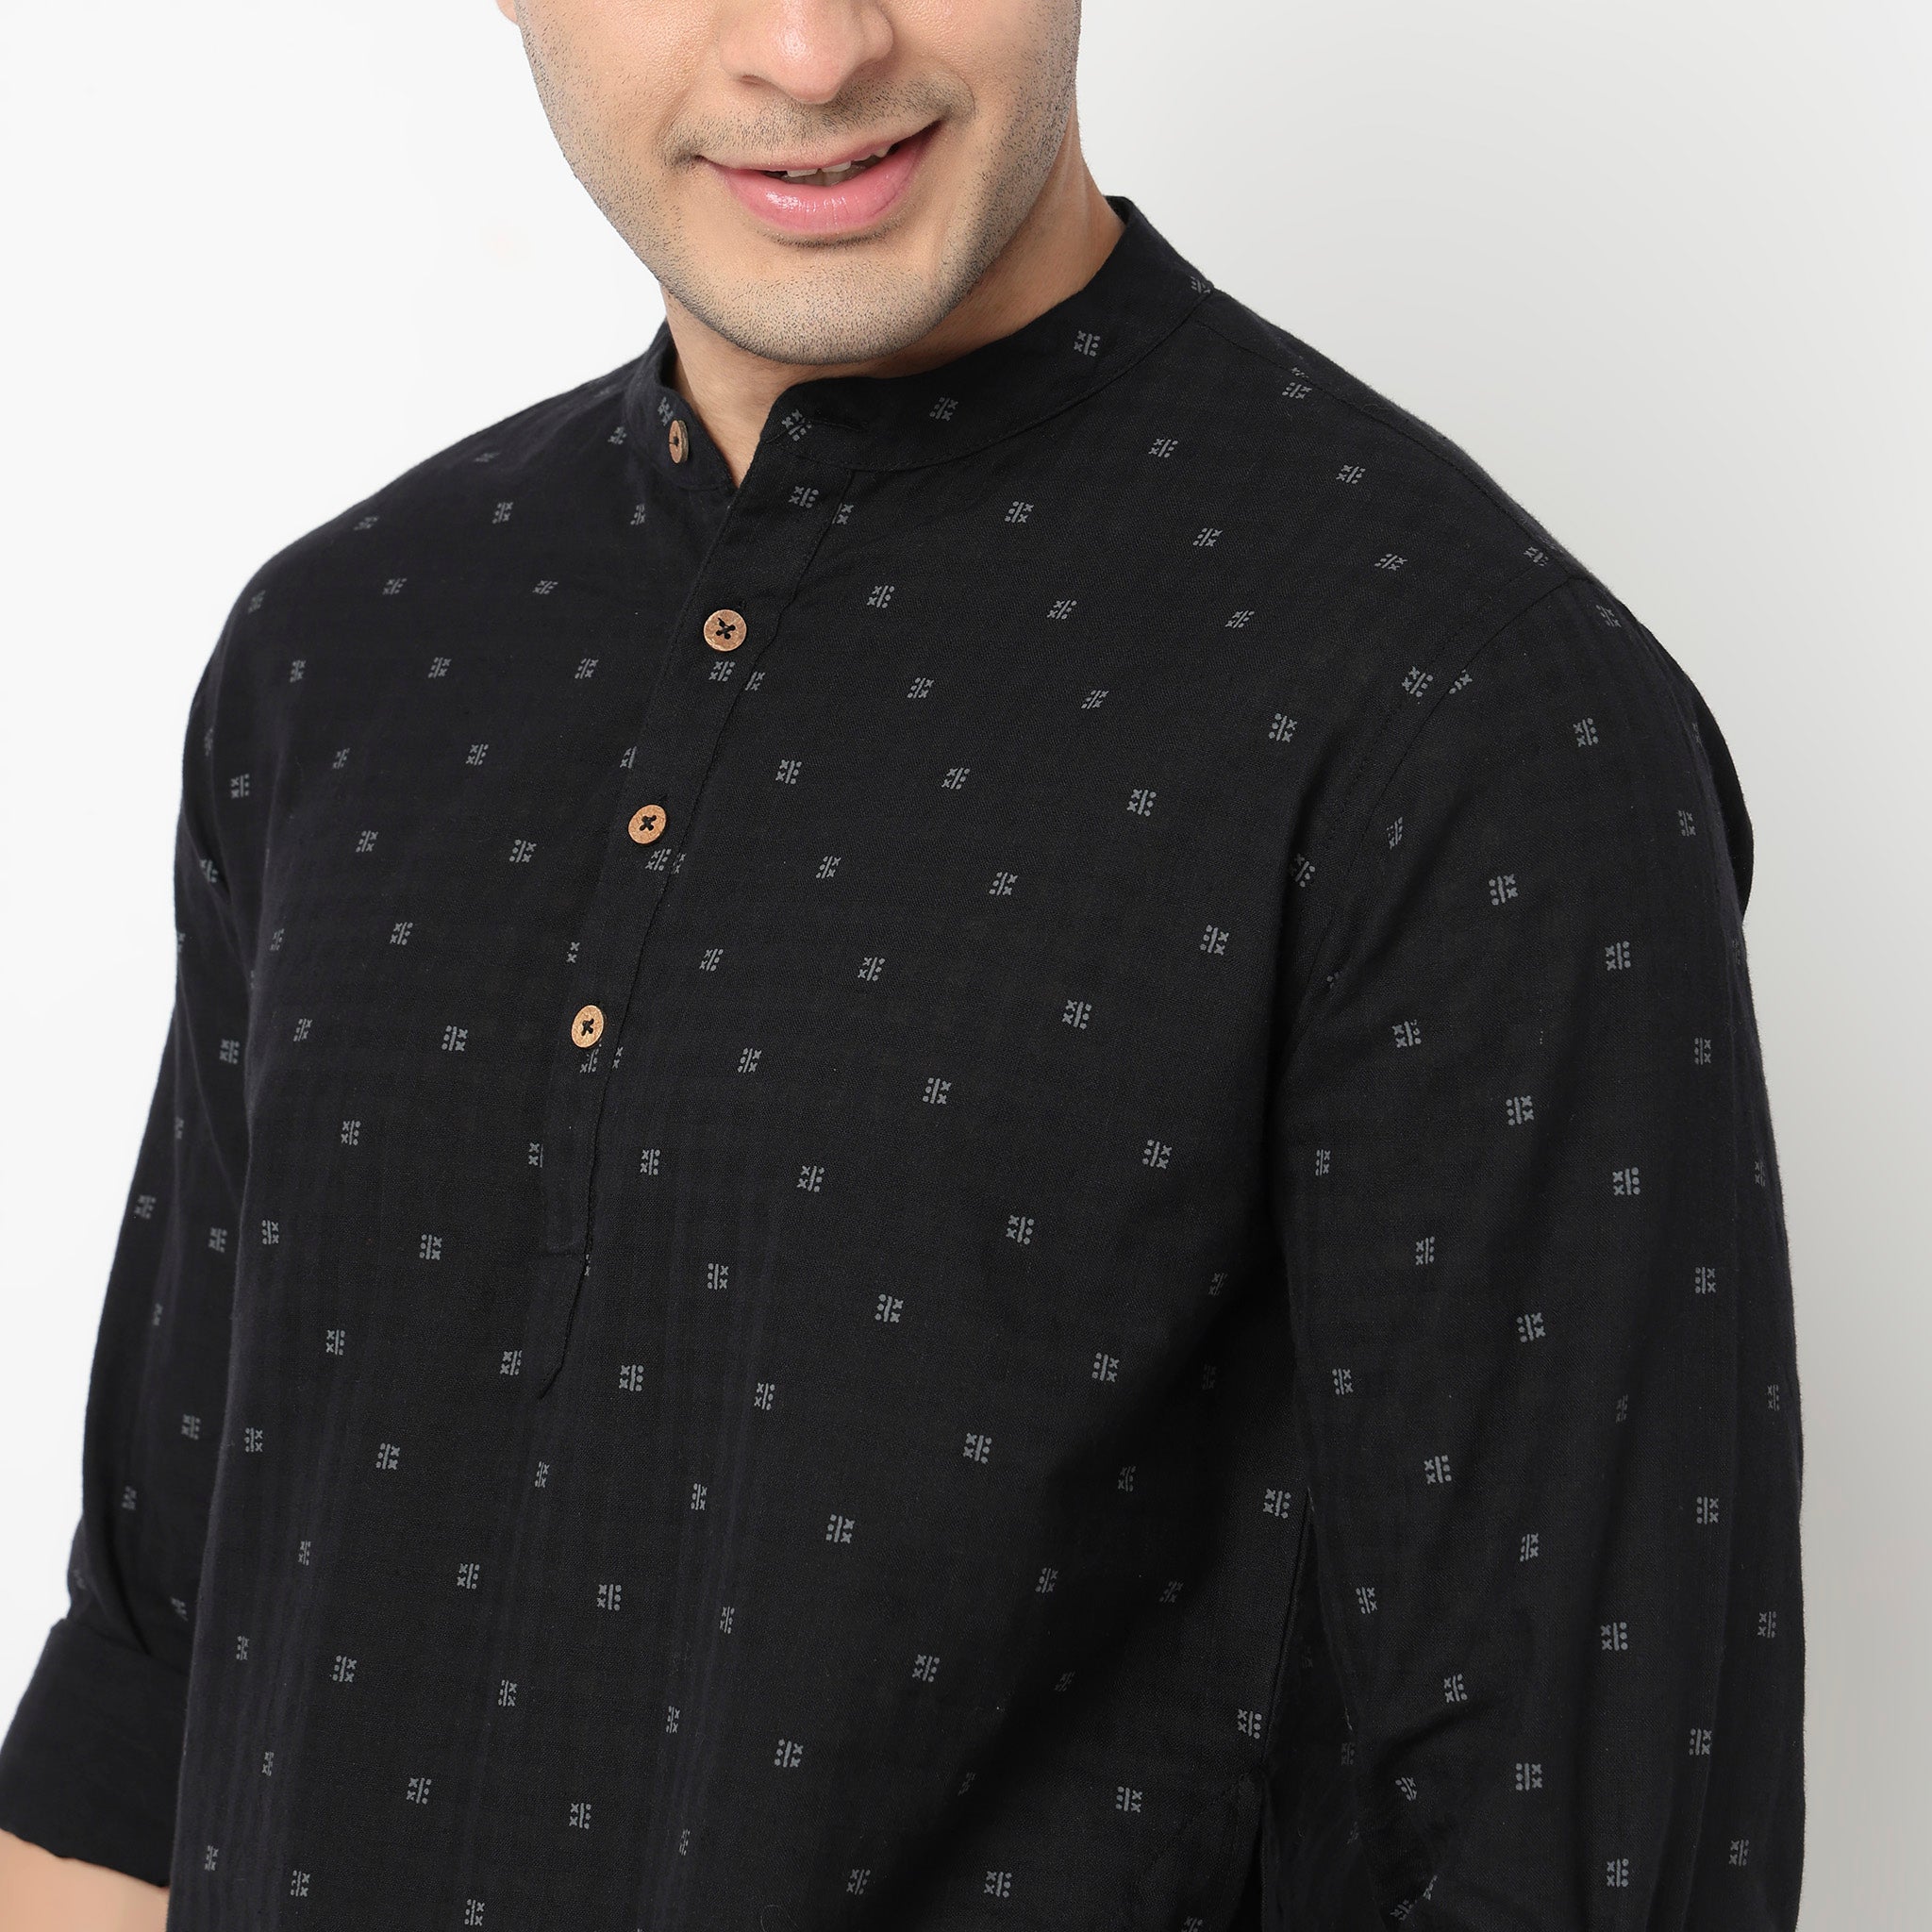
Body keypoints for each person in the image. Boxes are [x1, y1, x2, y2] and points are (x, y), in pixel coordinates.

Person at [0, 2, 1806, 1926]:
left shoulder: (1472, 710)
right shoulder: (343, 649)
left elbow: (1587, 1852)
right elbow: (145, 1707)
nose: (808, 51)